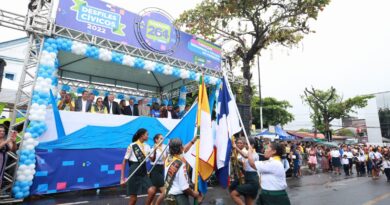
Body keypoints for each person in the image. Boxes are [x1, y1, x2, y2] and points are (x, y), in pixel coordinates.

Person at [120, 128, 155, 205]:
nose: (148, 136)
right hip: (134, 171)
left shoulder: (147, 146)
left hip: (143, 171)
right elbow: (124, 161)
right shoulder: (132, 146)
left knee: (152, 190)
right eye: (147, 134)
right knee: (133, 199)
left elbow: (152, 160)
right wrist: (122, 178)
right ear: (142, 135)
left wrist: (154, 150)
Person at [164, 138, 202, 205]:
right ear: (180, 148)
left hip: (169, 196)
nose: (183, 147)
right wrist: (194, 194)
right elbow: (184, 187)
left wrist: (193, 141)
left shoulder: (168, 158)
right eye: (182, 146)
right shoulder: (180, 164)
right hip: (179, 198)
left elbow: (185, 149)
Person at [230, 138, 260, 205]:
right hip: (247, 177)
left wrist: (236, 148)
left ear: (251, 145)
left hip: (253, 180)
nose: (244, 145)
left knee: (233, 194)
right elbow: (243, 164)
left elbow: (245, 156)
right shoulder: (248, 152)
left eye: (246, 144)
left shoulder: (254, 153)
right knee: (248, 203)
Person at [149, 134, 167, 205]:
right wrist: (155, 151)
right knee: (165, 191)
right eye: (161, 138)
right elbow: (152, 159)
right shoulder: (152, 148)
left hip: (161, 168)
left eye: (163, 138)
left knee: (154, 189)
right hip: (155, 169)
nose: (162, 139)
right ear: (156, 140)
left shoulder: (165, 147)